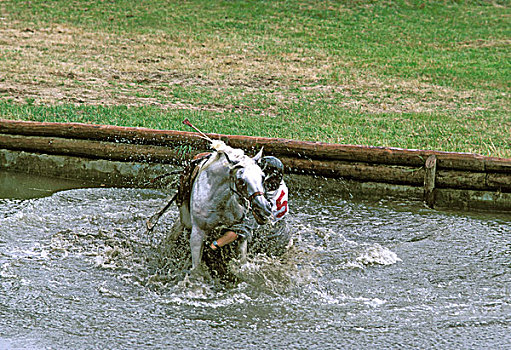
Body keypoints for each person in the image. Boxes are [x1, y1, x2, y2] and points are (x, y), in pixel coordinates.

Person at [210, 156, 290, 256]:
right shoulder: (280, 185)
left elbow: (238, 232)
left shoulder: (264, 207)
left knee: (243, 238)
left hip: (272, 240)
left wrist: (214, 245)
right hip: (284, 230)